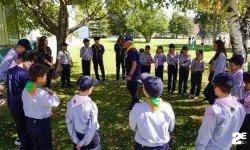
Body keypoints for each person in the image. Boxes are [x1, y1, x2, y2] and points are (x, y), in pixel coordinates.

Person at [195, 73, 246, 150]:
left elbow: (204, 134)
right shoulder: (240, 108)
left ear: (217, 89)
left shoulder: (213, 110)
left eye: (214, 86)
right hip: (227, 147)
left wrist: (199, 148)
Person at [129, 73, 175, 150]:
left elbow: (133, 125)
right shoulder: (167, 108)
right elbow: (171, 127)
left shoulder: (137, 108)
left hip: (143, 146)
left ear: (145, 91)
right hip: (162, 146)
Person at [22, 64, 60, 150]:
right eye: (45, 75)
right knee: (46, 146)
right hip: (41, 124)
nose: (46, 76)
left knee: (37, 146)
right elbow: (56, 102)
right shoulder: (40, 93)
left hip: (30, 122)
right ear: (39, 78)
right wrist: (51, 93)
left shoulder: (27, 87)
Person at [6, 51, 38, 148]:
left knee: (21, 127)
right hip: (22, 106)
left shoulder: (11, 70)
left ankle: (23, 142)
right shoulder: (24, 74)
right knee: (26, 131)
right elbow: (33, 90)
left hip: (12, 103)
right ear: (31, 62)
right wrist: (30, 74)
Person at [66, 76, 101, 150]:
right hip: (91, 138)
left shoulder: (70, 103)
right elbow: (92, 127)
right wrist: (83, 142)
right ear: (89, 90)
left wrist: (76, 140)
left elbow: (69, 122)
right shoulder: (91, 106)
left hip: (77, 135)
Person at [204, 40, 227, 104]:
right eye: (213, 45)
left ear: (219, 46)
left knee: (207, 92)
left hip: (216, 76)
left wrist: (215, 80)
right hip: (213, 74)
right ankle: (213, 104)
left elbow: (219, 69)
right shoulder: (218, 53)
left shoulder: (221, 55)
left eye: (215, 46)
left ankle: (215, 103)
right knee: (212, 92)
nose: (213, 47)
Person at [233, 72, 250, 150]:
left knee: (246, 141)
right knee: (238, 138)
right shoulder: (239, 89)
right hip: (238, 117)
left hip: (248, 118)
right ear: (244, 82)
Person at [124, 36, 140, 111]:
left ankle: (135, 104)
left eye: (125, 41)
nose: (124, 43)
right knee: (130, 88)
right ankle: (135, 102)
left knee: (133, 89)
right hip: (131, 74)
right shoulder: (129, 50)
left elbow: (134, 64)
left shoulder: (132, 51)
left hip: (133, 74)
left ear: (129, 43)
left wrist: (130, 75)